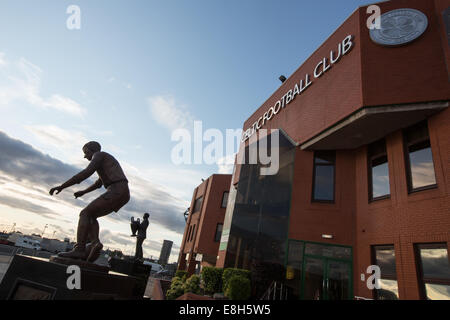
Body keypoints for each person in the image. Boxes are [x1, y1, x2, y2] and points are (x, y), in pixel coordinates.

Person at [49, 141, 130, 261]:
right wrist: (83, 192)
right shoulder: (106, 161)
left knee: (85, 213)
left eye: (86, 152)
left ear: (93, 150)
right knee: (91, 216)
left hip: (117, 190)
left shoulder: (99, 155)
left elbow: (86, 172)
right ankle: (95, 243)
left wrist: (62, 186)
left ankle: (79, 249)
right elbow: (99, 183)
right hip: (122, 192)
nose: (85, 156)